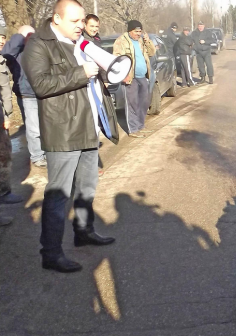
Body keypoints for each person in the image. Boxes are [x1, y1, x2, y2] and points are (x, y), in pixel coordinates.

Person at [22, 0, 120, 273]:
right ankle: (51, 253)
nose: (81, 26)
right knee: (59, 194)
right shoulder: (39, 45)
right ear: (56, 19)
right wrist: (81, 73)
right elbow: (40, 85)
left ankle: (83, 231)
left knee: (87, 188)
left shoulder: (79, 44)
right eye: (75, 21)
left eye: (82, 21)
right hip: (63, 131)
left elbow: (88, 82)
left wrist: (102, 75)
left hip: (87, 126)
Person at [2, 25, 47, 168]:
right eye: (27, 36)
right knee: (34, 129)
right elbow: (6, 52)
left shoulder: (39, 49)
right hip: (27, 95)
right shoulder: (15, 53)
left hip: (43, 92)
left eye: (32, 35)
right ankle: (37, 156)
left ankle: (47, 151)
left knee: (46, 126)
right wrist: (19, 36)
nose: (30, 38)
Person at [113, 19, 156, 138]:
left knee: (144, 102)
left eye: (140, 31)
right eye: (136, 31)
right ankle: (133, 129)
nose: (138, 34)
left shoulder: (142, 40)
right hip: (130, 77)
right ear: (130, 31)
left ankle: (140, 126)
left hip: (142, 76)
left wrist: (148, 41)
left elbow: (152, 53)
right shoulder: (121, 41)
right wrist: (123, 74)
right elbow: (116, 59)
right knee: (132, 103)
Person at [0, 25, 24, 216]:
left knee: (5, 156)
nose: (1, 41)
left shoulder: (1, 59)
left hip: (3, 116)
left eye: (3, 37)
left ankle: (4, 192)